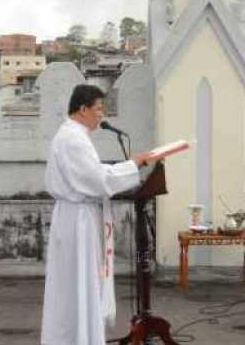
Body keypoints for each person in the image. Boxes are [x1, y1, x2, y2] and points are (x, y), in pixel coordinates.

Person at [40, 84, 162, 345]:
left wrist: (124, 168)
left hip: (76, 217)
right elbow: (96, 179)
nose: (101, 115)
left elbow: (92, 174)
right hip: (78, 221)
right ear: (82, 109)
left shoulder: (72, 135)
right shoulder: (73, 139)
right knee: (79, 286)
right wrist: (134, 164)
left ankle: (78, 337)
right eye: (98, 109)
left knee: (74, 288)